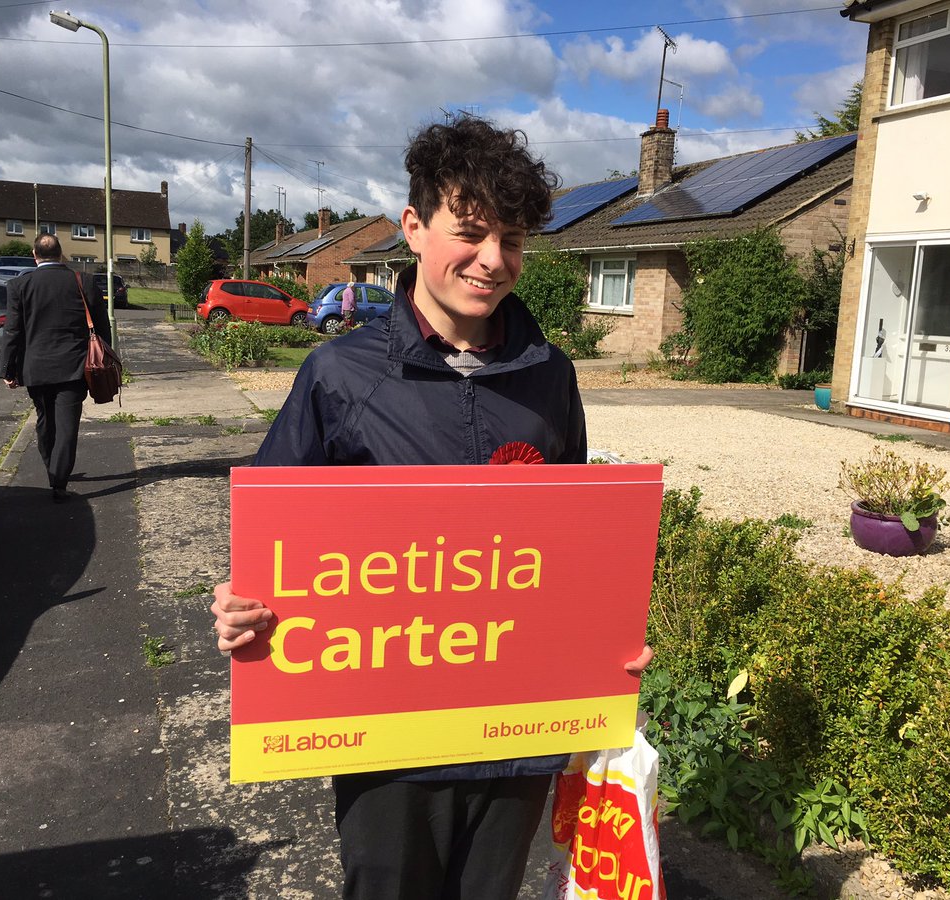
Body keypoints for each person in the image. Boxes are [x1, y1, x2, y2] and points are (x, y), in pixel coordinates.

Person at [211, 116, 651, 899]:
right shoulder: (339, 376)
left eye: (511, 240)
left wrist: (605, 636)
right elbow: (273, 539)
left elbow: (570, 548)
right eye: (471, 233)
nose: (493, 260)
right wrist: (241, 604)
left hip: (516, 735)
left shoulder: (550, 376)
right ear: (413, 227)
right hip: (390, 743)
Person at [0, 233, 110, 503]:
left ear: (34, 255)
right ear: (61, 254)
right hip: (74, 367)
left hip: (35, 368)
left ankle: (53, 469)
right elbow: (102, 325)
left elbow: (12, 331)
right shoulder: (83, 281)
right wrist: (105, 357)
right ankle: (59, 481)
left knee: (45, 420)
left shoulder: (19, 286)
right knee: (67, 426)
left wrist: (8, 369)